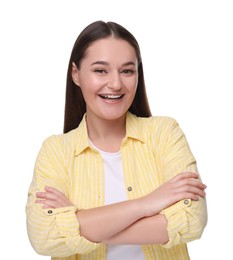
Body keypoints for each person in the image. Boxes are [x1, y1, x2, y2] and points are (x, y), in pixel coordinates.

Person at [26, 20, 207, 260]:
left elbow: (191, 220)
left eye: (127, 70)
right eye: (100, 70)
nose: (116, 83)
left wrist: (79, 221)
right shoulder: (56, 150)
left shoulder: (164, 133)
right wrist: (146, 204)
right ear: (76, 74)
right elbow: (43, 236)